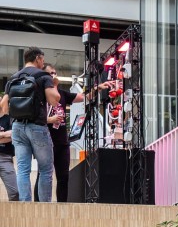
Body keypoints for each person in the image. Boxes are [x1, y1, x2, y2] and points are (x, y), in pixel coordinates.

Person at [42, 64, 111, 202]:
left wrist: (98, 88)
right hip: (46, 141)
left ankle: (62, 206)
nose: (53, 75)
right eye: (50, 73)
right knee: (44, 175)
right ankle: (41, 204)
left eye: (55, 73)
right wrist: (50, 120)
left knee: (63, 177)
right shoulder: (40, 95)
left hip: (62, 142)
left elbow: (84, 97)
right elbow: (35, 118)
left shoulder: (62, 94)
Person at [0, 46, 60, 202]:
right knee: (45, 169)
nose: (43, 63)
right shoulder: (43, 76)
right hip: (37, 127)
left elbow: (4, 107)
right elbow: (54, 100)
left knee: (23, 170)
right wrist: (54, 84)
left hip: (17, 127)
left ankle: (25, 206)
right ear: (38, 58)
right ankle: (44, 207)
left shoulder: (13, 78)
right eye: (42, 60)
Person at [0, 113, 17, 201]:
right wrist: (4, 134)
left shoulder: (9, 119)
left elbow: (13, 135)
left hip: (5, 158)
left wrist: (7, 135)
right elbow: (8, 135)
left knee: (15, 193)